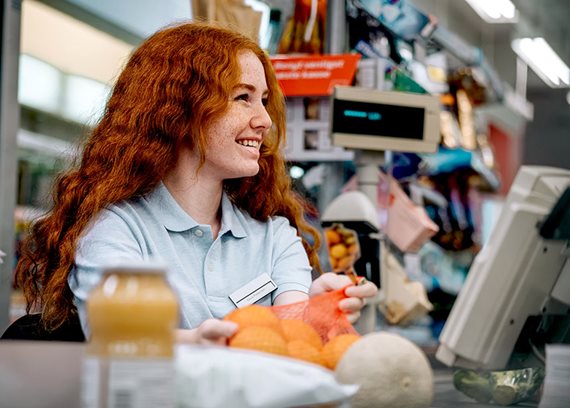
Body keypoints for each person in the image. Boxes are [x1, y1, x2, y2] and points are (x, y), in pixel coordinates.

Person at [15, 21, 377, 345]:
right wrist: (193, 344)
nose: (265, 119)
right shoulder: (118, 231)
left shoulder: (275, 237)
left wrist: (317, 310)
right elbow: (122, 338)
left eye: (264, 101)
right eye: (243, 98)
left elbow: (289, 334)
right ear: (179, 110)